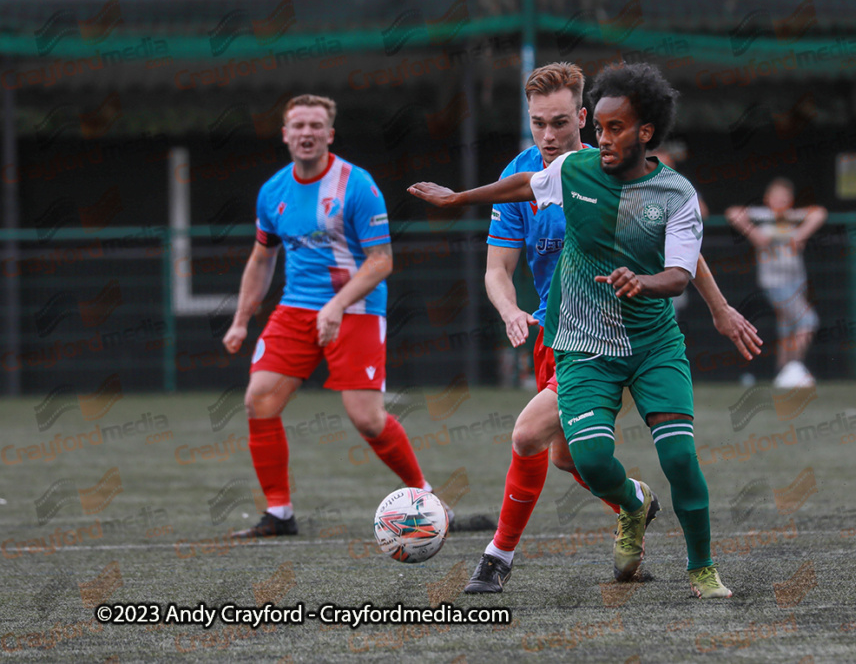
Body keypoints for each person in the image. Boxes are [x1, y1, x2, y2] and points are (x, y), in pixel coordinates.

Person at [411, 62, 760, 598]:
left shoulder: (629, 175)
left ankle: (497, 558)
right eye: (537, 124)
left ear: (583, 117)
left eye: (559, 123)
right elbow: (496, 268)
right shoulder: (537, 174)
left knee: (528, 435)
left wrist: (717, 306)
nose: (548, 135)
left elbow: (678, 251)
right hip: (559, 336)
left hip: (619, 333)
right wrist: (506, 305)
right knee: (570, 457)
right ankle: (634, 502)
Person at [222, 94, 445, 538]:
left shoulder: (356, 185)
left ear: (329, 134)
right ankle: (280, 514)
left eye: (315, 126)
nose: (307, 133)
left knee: (366, 417)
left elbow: (381, 261)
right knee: (258, 399)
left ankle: (427, 500)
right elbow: (261, 259)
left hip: (357, 307)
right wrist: (241, 318)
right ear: (285, 134)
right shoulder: (273, 191)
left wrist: (336, 305)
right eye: (298, 126)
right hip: (296, 308)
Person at [725, 178, 827, 388]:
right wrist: (755, 234)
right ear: (767, 199)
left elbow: (819, 213)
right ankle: (794, 367)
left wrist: (800, 235)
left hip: (797, 280)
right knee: (808, 322)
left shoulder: (792, 217)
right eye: (777, 197)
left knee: (787, 327)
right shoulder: (763, 216)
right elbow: (733, 213)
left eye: (785, 198)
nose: (781, 201)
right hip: (776, 282)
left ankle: (783, 372)